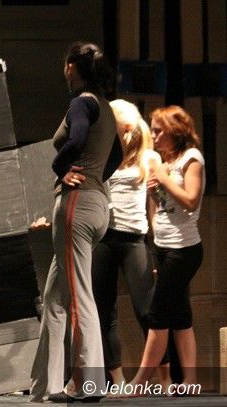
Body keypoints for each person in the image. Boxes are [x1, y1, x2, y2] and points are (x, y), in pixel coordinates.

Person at [29, 42, 123, 402]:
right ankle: (45, 386)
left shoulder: (82, 102)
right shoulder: (107, 107)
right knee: (54, 298)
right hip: (97, 206)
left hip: (76, 205)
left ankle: (88, 382)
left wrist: (61, 168)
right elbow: (118, 154)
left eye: (65, 67)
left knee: (79, 296)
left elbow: (78, 137)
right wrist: (96, 176)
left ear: (71, 66)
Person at [124, 105, 204, 394]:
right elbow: (164, 209)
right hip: (163, 246)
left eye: (159, 131)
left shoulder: (191, 159)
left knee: (157, 316)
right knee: (180, 315)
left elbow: (191, 200)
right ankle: (191, 381)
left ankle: (139, 383)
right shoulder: (167, 163)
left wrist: (164, 178)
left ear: (175, 131)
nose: (154, 137)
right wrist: (154, 190)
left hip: (184, 250)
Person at [91, 99, 168, 385]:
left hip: (135, 238)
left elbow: (157, 206)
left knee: (147, 310)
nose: (121, 134)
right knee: (104, 311)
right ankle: (118, 379)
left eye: (124, 128)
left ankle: (164, 379)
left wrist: (158, 249)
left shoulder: (149, 158)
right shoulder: (102, 155)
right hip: (104, 238)